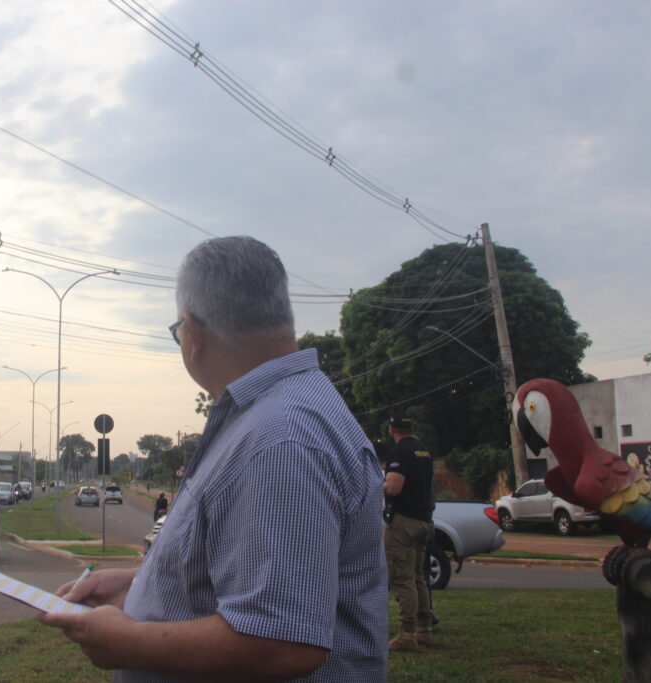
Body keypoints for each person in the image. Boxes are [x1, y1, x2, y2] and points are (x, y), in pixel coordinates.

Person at [41, 236, 387, 681]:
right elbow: (246, 570)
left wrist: (126, 643)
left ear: (194, 334)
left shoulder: (279, 441)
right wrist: (140, 585)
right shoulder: (270, 417)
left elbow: (281, 644)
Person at [382, 413, 435, 652]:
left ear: (392, 430)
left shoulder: (401, 452)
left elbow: (393, 487)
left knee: (401, 579)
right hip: (424, 521)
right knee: (417, 577)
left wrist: (376, 482)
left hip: (403, 523)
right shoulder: (424, 450)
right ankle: (425, 629)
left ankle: (407, 633)